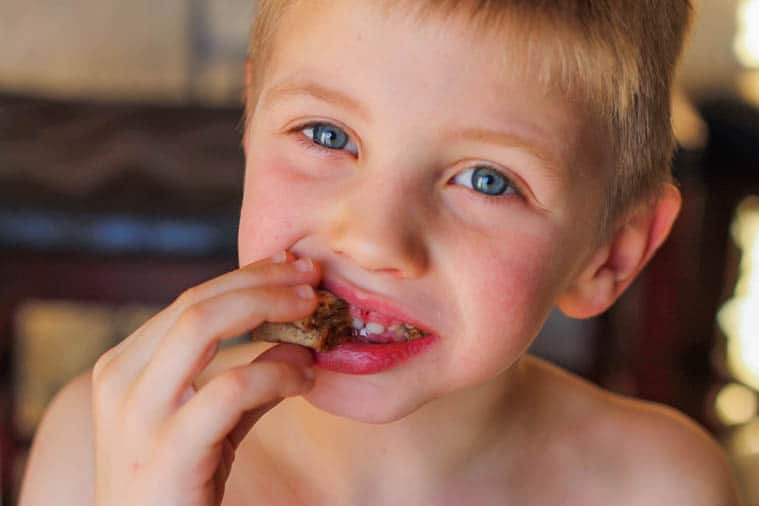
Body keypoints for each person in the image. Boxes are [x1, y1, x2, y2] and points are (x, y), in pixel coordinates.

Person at [18, 1, 742, 505]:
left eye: (486, 180)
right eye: (326, 135)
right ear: (251, 119)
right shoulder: (104, 447)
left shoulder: (662, 487)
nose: (370, 238)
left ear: (609, 254)